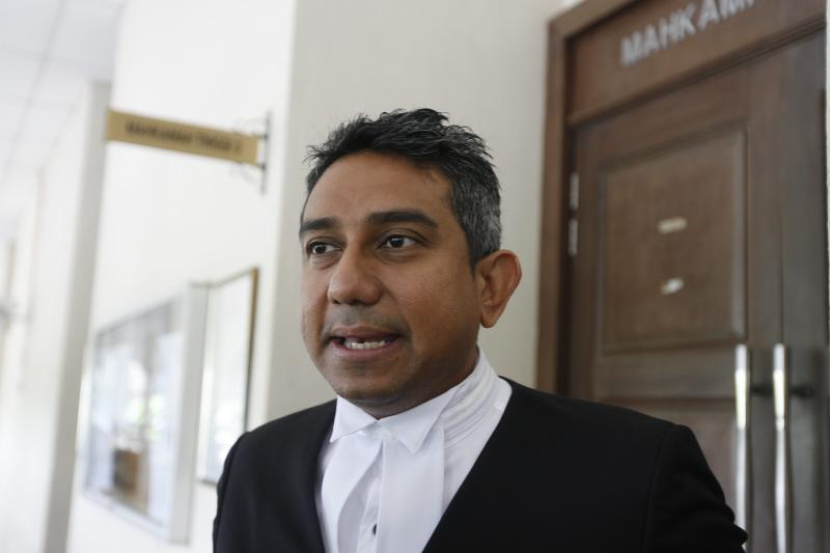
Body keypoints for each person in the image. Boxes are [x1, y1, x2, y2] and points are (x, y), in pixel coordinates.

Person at [213, 109, 747, 553]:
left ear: (490, 285)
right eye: (322, 248)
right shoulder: (254, 465)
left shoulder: (638, 472)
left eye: (397, 241)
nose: (346, 285)